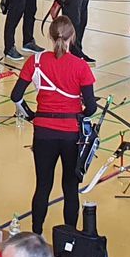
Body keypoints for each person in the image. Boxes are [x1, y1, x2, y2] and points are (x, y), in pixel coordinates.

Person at [11, 16, 96, 238]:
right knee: (70, 188)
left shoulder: (35, 61)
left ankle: (37, 235)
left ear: (49, 35)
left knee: (43, 186)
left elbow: (16, 96)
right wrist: (79, 115)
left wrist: (31, 116)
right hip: (71, 135)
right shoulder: (80, 66)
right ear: (72, 36)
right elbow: (91, 108)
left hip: (43, 132)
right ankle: (70, 237)